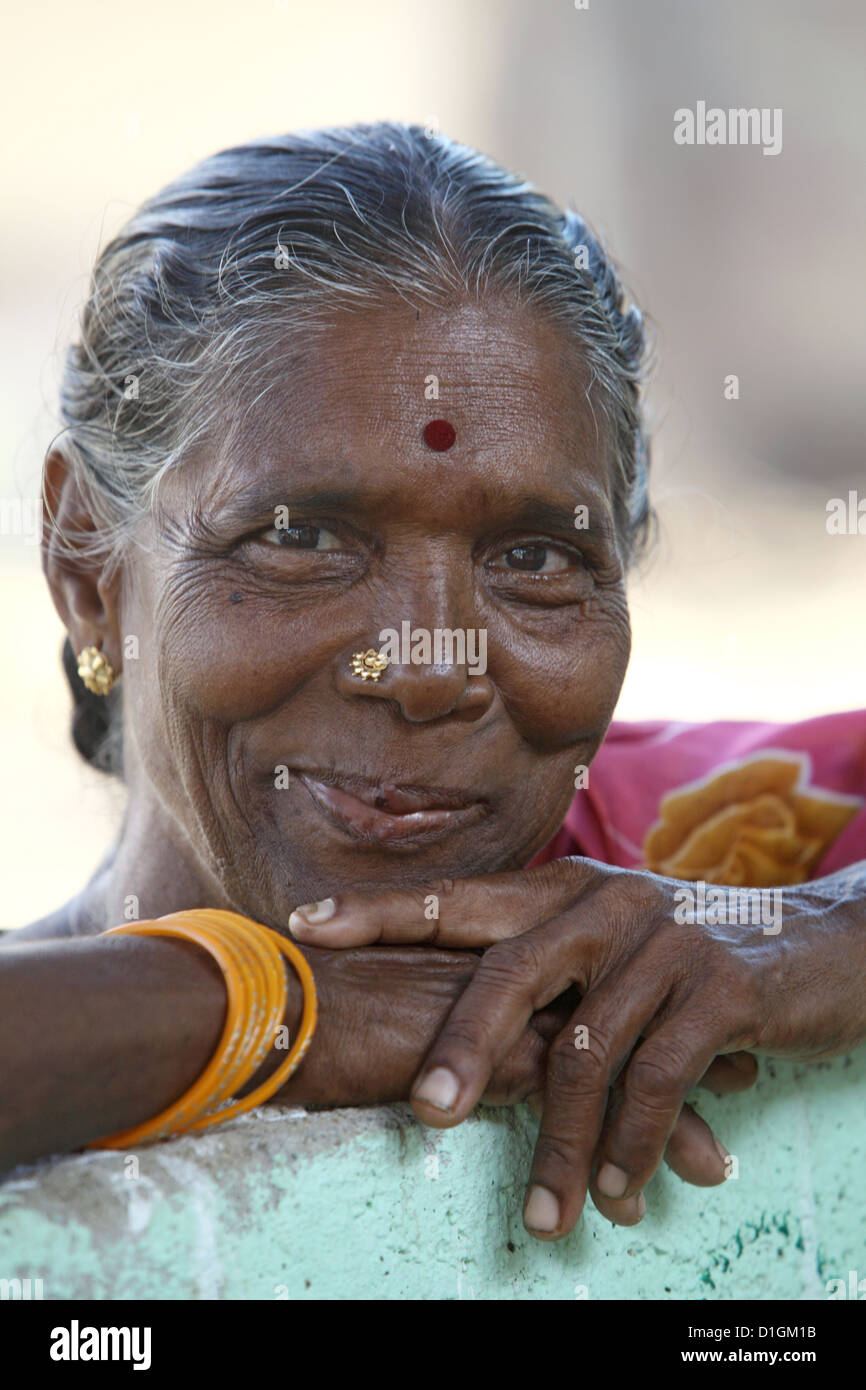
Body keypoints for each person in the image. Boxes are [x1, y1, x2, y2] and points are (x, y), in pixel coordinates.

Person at [2, 123, 864, 1244]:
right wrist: (274, 1012)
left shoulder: (685, 887)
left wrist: (822, 934)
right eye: (301, 536)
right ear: (87, 565)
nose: (429, 670)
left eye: (534, 559)